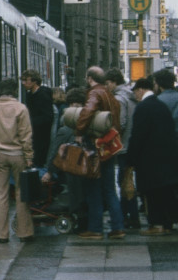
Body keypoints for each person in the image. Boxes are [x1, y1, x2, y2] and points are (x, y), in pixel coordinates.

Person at [0, 78, 34, 243]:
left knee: (0, 194)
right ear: (15, 91)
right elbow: (26, 135)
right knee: (21, 193)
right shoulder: (20, 108)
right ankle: (24, 232)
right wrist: (29, 156)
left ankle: (1, 234)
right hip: (18, 155)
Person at [74, 66, 125, 240]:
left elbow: (88, 111)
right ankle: (118, 227)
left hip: (95, 145)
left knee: (93, 187)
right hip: (108, 146)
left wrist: (79, 131)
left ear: (89, 78)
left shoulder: (95, 92)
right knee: (109, 189)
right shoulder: (110, 94)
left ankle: (95, 228)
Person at [128, 75, 177, 235]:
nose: (135, 95)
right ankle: (167, 223)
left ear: (141, 90)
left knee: (151, 192)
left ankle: (156, 224)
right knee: (165, 191)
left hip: (149, 159)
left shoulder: (143, 107)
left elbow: (137, 136)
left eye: (135, 91)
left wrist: (131, 159)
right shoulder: (161, 105)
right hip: (167, 157)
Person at [41, 87, 89, 219]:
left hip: (71, 169)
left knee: (74, 196)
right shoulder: (89, 126)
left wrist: (49, 171)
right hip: (87, 169)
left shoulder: (65, 129)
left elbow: (55, 151)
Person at [105, 68, 140, 228]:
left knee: (124, 181)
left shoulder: (119, 98)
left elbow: (121, 123)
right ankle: (127, 215)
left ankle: (130, 216)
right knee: (127, 180)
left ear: (114, 82)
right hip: (132, 143)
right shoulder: (130, 95)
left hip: (123, 145)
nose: (107, 87)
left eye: (108, 83)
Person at [21, 69, 55, 166]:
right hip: (34, 132)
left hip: (41, 135)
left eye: (25, 80)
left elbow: (48, 117)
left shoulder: (42, 95)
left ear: (34, 81)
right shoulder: (30, 95)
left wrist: (30, 122)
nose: (23, 83)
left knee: (39, 159)